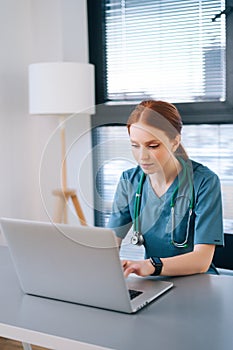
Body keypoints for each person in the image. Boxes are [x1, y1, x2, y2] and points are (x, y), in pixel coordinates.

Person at [107, 100, 224, 277]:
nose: (142, 156)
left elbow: (202, 260)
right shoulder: (129, 181)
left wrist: (152, 265)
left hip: (198, 282)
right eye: (135, 145)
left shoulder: (204, 182)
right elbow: (109, 245)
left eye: (153, 146)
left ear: (175, 141)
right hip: (154, 283)